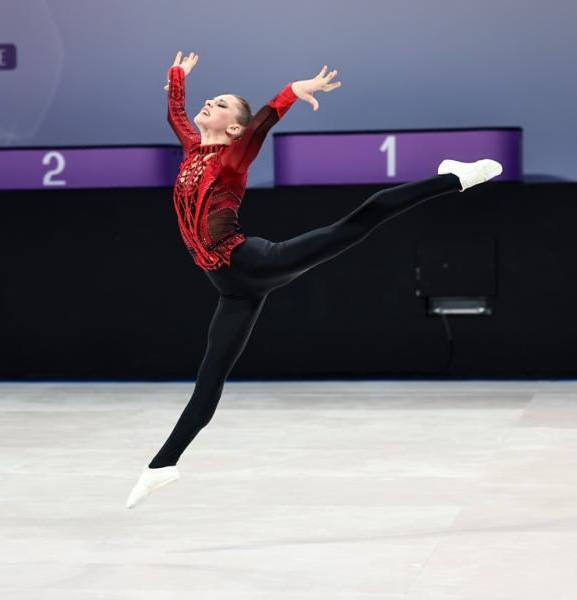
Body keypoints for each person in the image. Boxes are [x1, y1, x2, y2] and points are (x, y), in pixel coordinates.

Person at [126, 51, 502, 508]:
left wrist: (291, 92)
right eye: (212, 99)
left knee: (358, 221)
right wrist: (177, 77)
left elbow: (263, 122)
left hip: (252, 262)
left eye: (221, 104)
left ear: (235, 129)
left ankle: (454, 179)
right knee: (210, 378)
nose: (210, 103)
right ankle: (162, 465)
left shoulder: (232, 157)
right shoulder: (191, 148)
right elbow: (176, 114)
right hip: (232, 289)